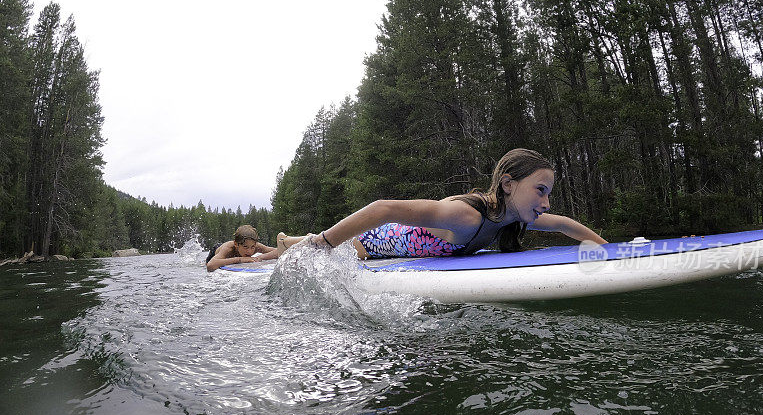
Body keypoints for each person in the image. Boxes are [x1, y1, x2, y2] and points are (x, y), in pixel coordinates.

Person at [275, 148, 607, 259]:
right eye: (541, 190)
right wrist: (323, 243)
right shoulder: (465, 215)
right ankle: (291, 242)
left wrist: (612, 251)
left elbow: (564, 224)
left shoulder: (514, 218)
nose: (546, 203)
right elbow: (382, 208)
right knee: (323, 248)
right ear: (508, 184)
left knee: (321, 244)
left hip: (403, 243)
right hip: (379, 241)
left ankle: (292, 241)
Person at [206, 225, 279, 272]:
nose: (249, 251)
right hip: (216, 252)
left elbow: (279, 251)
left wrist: (260, 257)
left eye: (252, 247)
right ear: (236, 244)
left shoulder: (257, 246)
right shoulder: (229, 248)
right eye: (245, 247)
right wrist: (240, 259)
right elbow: (210, 265)